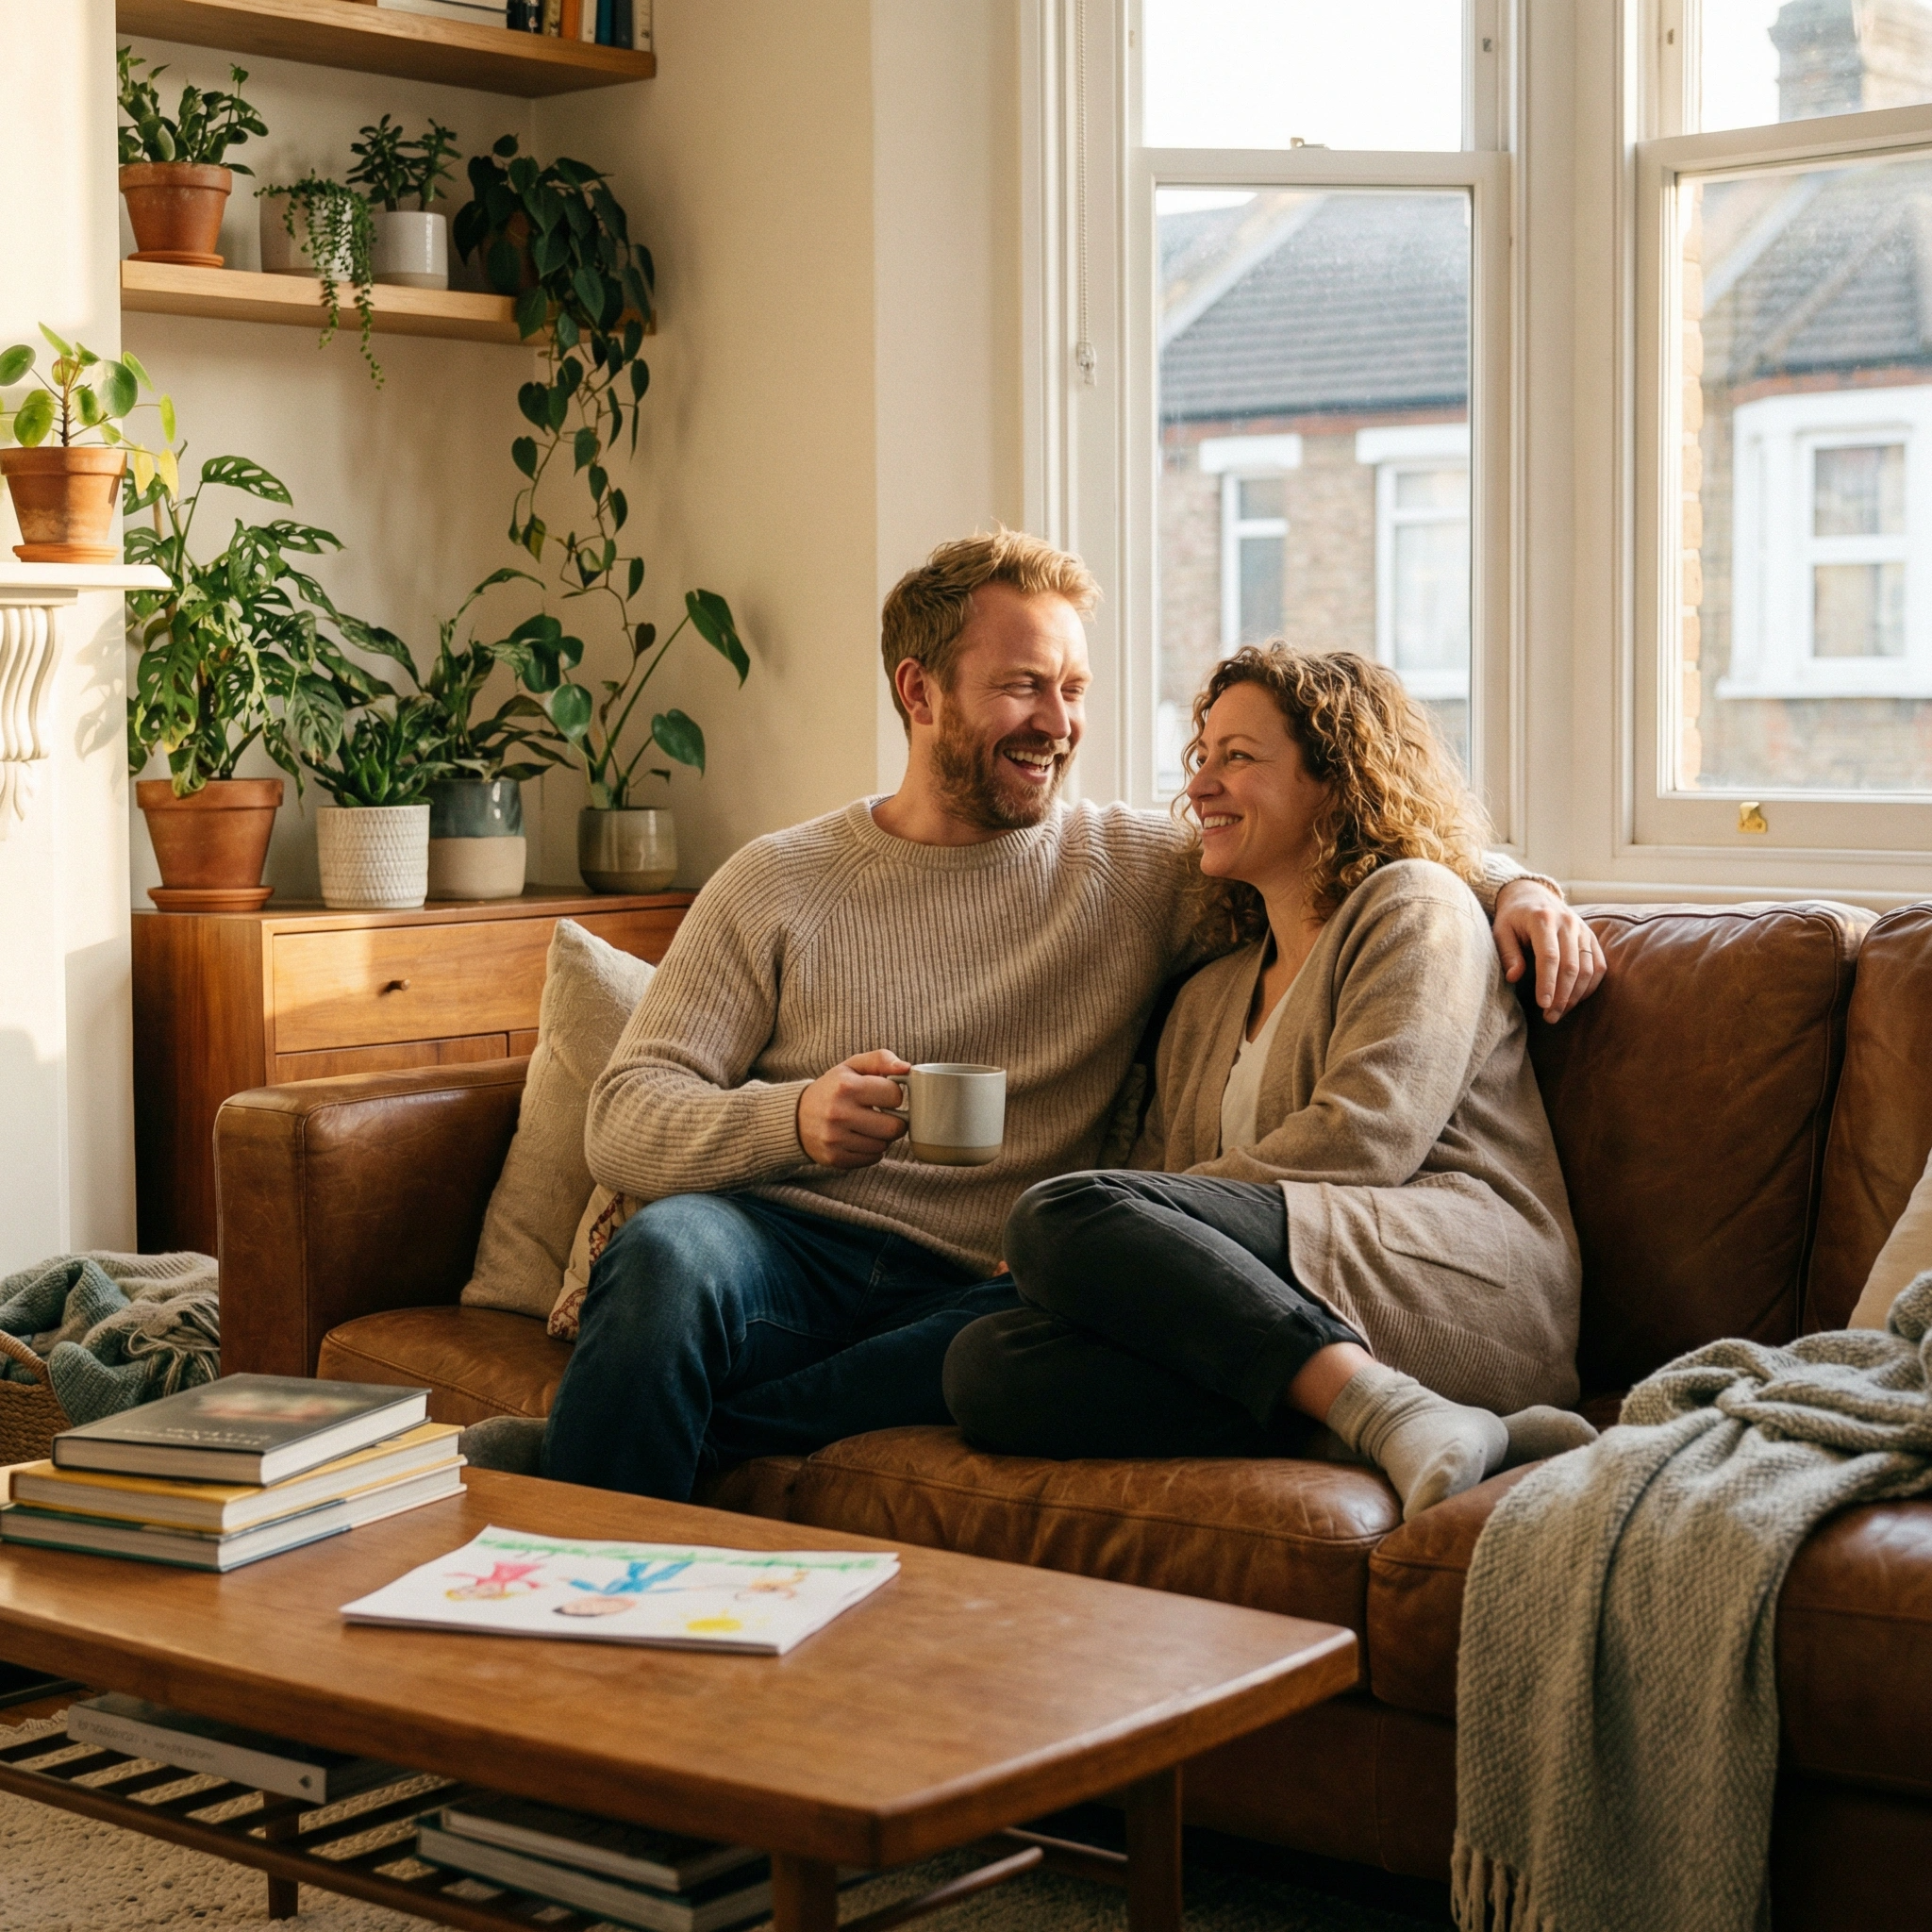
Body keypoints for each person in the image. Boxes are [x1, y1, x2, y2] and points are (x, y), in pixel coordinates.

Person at [531, 532, 1604, 1501]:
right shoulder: (775, 880)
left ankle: (595, 1452)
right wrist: (793, 1118)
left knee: (1000, 1350)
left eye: (1075, 688)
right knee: (665, 1252)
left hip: (996, 1278)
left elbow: (1358, 827)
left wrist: (1517, 886)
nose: (1058, 723)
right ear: (919, 690)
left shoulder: (1136, 868)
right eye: (1023, 686)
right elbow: (623, 1115)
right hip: (781, 1251)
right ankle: (567, 1586)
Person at [944, 645, 1594, 1521]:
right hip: (1293, 1298)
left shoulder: (1416, 906)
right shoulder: (1209, 995)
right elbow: (1162, 1181)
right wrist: (1113, 1240)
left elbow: (1363, 1141)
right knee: (988, 1367)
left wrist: (1107, 1221)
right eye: (1201, 756)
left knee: (1059, 1212)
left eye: (1239, 757)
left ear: (1337, 781)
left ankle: (1397, 1410)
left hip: (1451, 1289)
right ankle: (1406, 1423)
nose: (1200, 786)